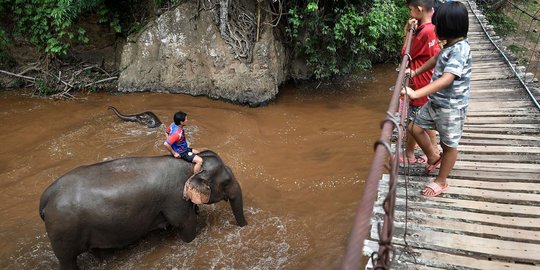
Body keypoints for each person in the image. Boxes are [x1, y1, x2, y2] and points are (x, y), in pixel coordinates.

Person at [402, 1, 471, 197]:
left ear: (448, 28)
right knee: (413, 126)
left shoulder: (460, 50)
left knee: (449, 145)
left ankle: (441, 181)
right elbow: (435, 59)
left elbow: (448, 78)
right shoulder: (449, 45)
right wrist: (415, 72)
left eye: (438, 25)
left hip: (451, 108)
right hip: (435, 102)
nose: (435, 28)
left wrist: (416, 93)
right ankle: (433, 157)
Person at [400, 0, 441, 165]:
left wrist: (408, 31)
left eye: (410, 9)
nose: (410, 13)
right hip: (427, 79)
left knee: (415, 121)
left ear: (419, 9)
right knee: (423, 119)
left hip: (419, 82)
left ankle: (427, 154)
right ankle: (432, 150)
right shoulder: (433, 28)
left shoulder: (423, 32)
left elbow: (405, 52)